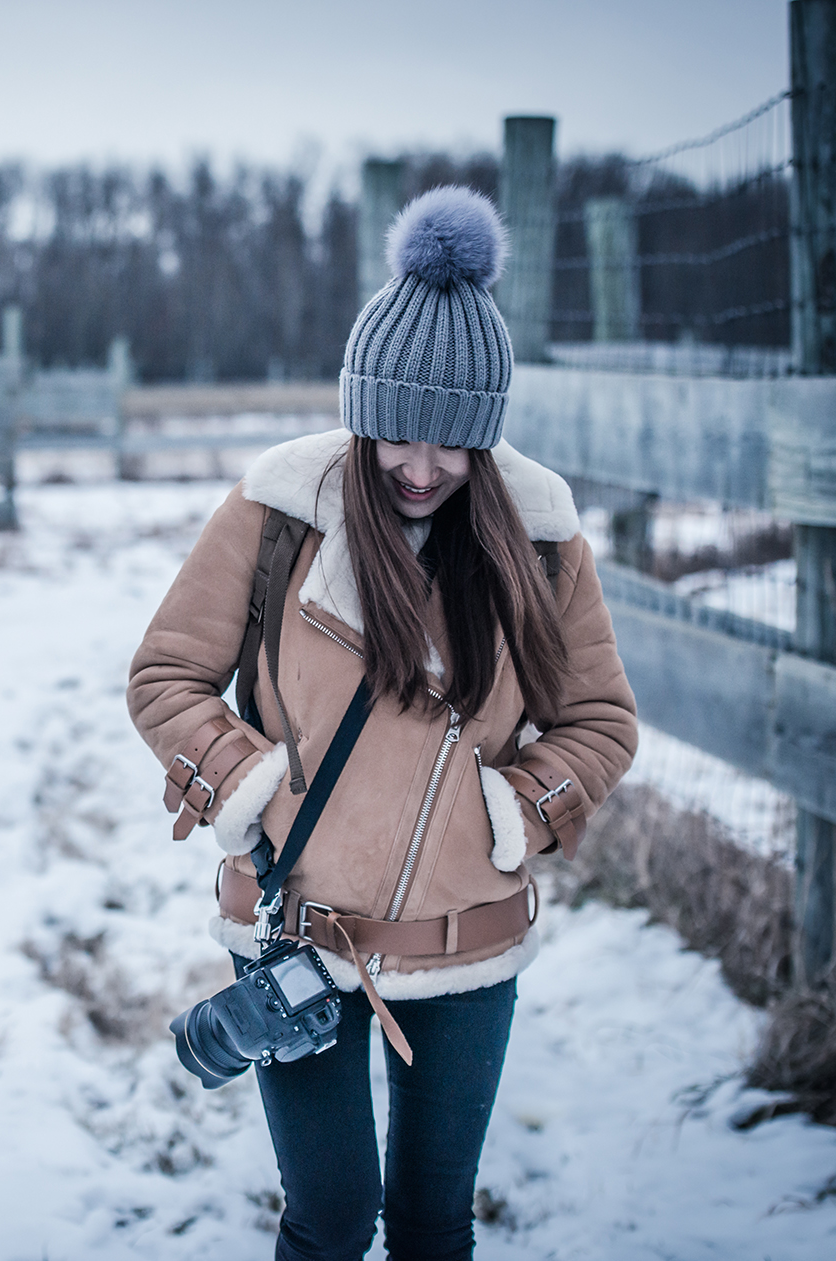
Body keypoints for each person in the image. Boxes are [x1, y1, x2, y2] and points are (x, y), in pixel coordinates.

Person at [127, 187, 638, 1261]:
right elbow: (168, 675)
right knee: (330, 1215)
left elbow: (598, 719)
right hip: (299, 937)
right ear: (361, 414)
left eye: (451, 444)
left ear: (486, 440)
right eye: (396, 434)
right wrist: (241, 779)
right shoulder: (278, 515)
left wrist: (516, 808)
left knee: (430, 1222)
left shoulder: (540, 543)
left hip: (468, 943)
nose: (419, 465)